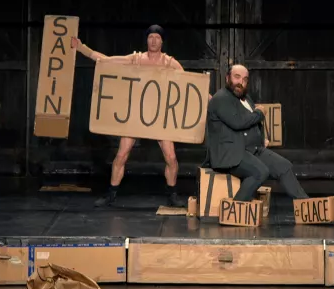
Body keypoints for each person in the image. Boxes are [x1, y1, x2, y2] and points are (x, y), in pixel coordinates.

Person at [71, 24, 185, 207]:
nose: (153, 40)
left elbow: (190, 85)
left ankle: (172, 194)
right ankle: (111, 194)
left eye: (157, 37)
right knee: (122, 155)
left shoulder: (170, 63)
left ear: (162, 41)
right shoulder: (137, 59)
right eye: (151, 37)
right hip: (136, 115)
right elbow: (107, 61)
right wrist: (81, 48)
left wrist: (210, 98)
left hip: (159, 116)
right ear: (147, 40)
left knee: (171, 158)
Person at [206, 64, 309, 202]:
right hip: (230, 154)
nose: (241, 82)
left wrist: (261, 139)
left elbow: (253, 123)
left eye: (245, 79)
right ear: (227, 78)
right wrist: (260, 112)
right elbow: (239, 122)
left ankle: (306, 205)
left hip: (251, 149)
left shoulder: (246, 99)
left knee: (283, 166)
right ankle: (236, 208)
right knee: (260, 172)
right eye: (237, 77)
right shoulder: (221, 98)